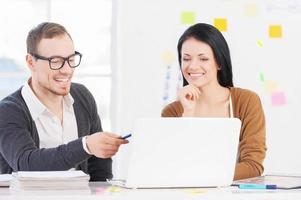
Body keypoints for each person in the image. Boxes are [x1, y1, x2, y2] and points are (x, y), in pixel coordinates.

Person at [0, 22, 128, 181]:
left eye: (71, 59)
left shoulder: (82, 97)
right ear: (31, 62)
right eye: (55, 61)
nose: (66, 69)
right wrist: (85, 146)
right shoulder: (8, 111)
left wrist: (102, 194)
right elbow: (26, 164)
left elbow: (99, 168)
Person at [161, 23, 266, 180]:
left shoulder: (246, 102)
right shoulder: (172, 112)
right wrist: (187, 114)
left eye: (203, 58)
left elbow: (253, 166)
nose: (193, 66)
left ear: (219, 62)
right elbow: (171, 164)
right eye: (186, 59)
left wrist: (198, 175)